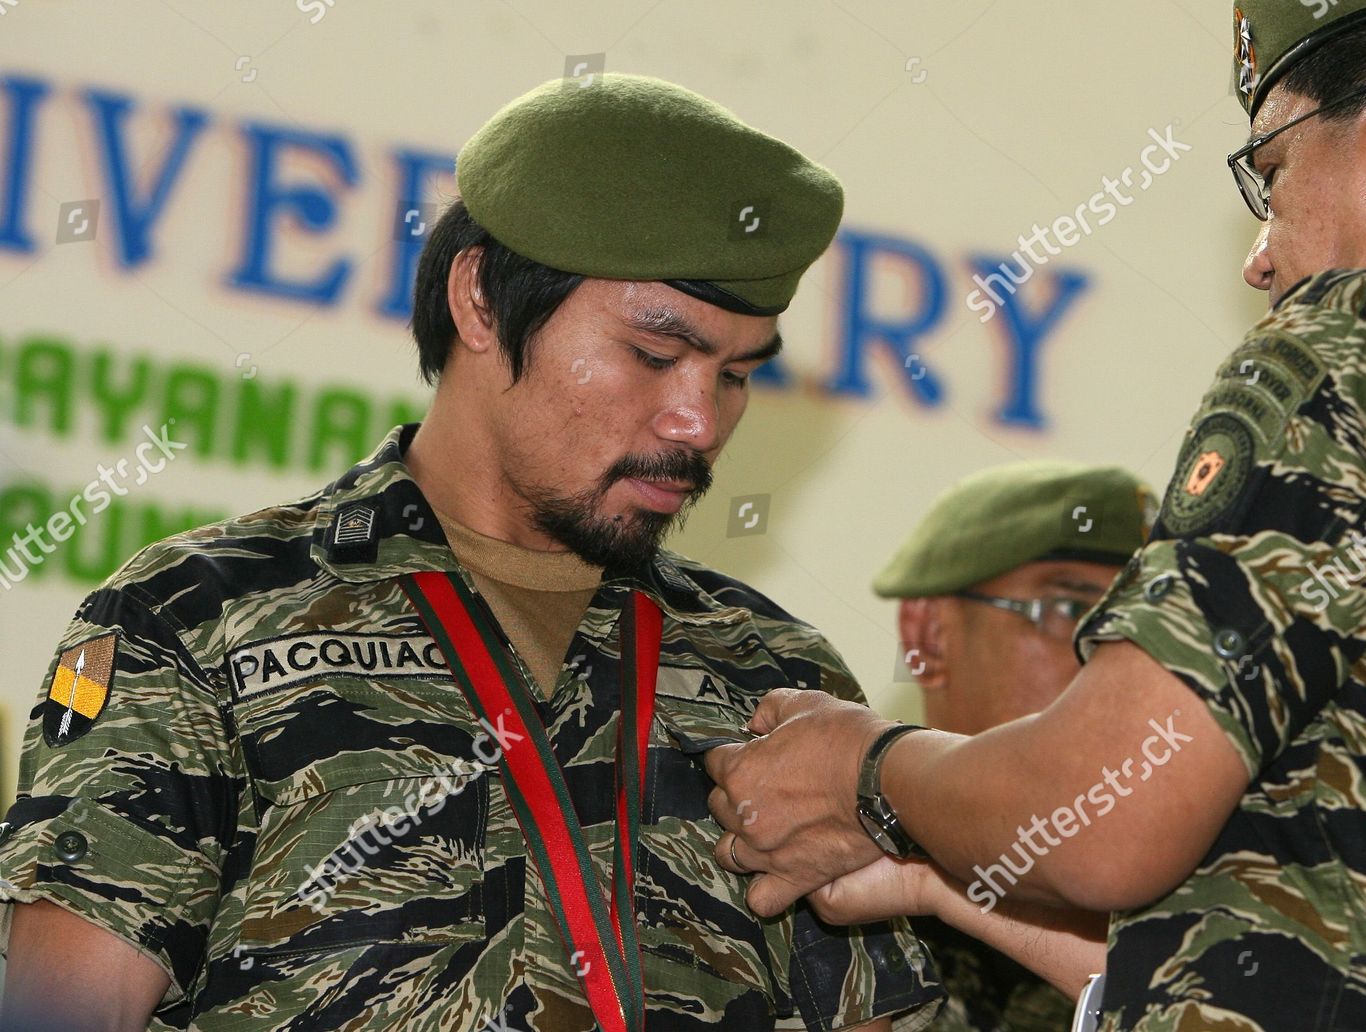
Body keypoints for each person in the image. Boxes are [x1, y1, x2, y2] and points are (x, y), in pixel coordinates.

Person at [0, 75, 944, 1032]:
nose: (698, 422)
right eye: (655, 357)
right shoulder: (198, 620)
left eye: (737, 375)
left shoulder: (774, 673)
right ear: (481, 301)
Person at [705, 3, 1366, 1030]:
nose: (1261, 257)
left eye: (1273, 171)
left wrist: (865, 771)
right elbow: (1348, 918)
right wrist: (935, 871)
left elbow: (1117, 808)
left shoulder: (1364, 352)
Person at [872, 461, 1156, 1031]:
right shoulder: (835, 875)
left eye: (1146, 631)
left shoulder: (1195, 895)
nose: (1113, 662)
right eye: (1072, 610)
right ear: (928, 635)